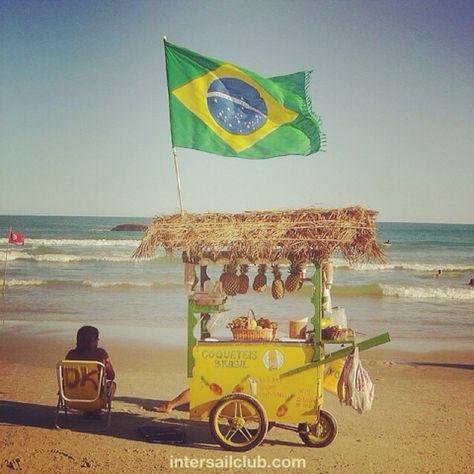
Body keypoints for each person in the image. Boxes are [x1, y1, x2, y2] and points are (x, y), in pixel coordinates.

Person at [65, 325, 116, 417]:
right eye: (97, 339)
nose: (98, 341)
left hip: (70, 399)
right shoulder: (101, 353)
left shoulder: (71, 354)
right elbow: (111, 376)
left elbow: (64, 377)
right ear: (92, 341)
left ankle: (89, 410)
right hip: (95, 400)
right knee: (112, 385)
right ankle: (94, 410)